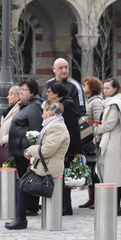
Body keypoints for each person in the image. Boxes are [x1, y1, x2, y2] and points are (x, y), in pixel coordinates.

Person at [5, 99, 70, 230]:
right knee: (22, 183)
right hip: (45, 165)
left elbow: (47, 150)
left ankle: (21, 218)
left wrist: (29, 150)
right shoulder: (52, 125)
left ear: (51, 114)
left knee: (22, 184)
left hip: (49, 167)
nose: (42, 115)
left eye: (44, 111)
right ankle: (20, 217)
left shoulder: (56, 127)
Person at [7, 78, 44, 225]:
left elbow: (35, 131)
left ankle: (30, 207)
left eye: (23, 90)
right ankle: (26, 207)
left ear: (32, 92)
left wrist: (31, 152)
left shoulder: (34, 106)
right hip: (19, 150)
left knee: (27, 179)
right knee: (24, 179)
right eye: (20, 89)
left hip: (26, 151)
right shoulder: (26, 105)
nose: (20, 92)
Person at [93, 78, 121, 215]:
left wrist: (96, 130)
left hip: (114, 143)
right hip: (107, 141)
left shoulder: (115, 104)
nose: (105, 90)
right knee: (107, 174)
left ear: (115, 89)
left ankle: (116, 206)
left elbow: (109, 123)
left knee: (114, 176)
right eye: (104, 88)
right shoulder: (108, 103)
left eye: (108, 88)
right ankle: (110, 205)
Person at [47, 82, 83, 215]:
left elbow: (74, 129)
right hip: (61, 145)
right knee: (60, 176)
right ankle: (62, 203)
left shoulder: (67, 104)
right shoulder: (58, 104)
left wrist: (77, 151)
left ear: (57, 93)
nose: (47, 93)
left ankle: (66, 206)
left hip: (68, 147)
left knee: (64, 177)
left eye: (49, 91)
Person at [79, 76, 104, 209]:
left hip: (92, 141)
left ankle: (97, 199)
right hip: (86, 139)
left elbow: (98, 120)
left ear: (92, 87)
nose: (84, 87)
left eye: (86, 84)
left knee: (93, 171)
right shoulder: (89, 101)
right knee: (89, 170)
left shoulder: (97, 102)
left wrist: (95, 137)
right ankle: (91, 198)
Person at [0, 85, 21, 165]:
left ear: (18, 96)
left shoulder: (19, 110)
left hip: (12, 149)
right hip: (5, 147)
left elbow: (18, 130)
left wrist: (4, 139)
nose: (7, 97)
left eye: (11, 95)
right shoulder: (9, 110)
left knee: (10, 174)